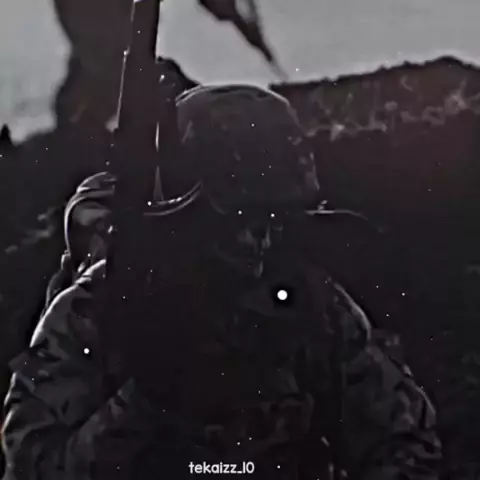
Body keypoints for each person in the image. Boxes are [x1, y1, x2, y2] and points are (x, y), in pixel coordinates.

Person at [1, 85, 442, 479]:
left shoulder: (307, 303)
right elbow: (32, 464)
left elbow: (400, 439)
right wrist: (142, 403)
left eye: (273, 220)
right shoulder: (97, 310)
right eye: (238, 220)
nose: (258, 242)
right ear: (186, 215)